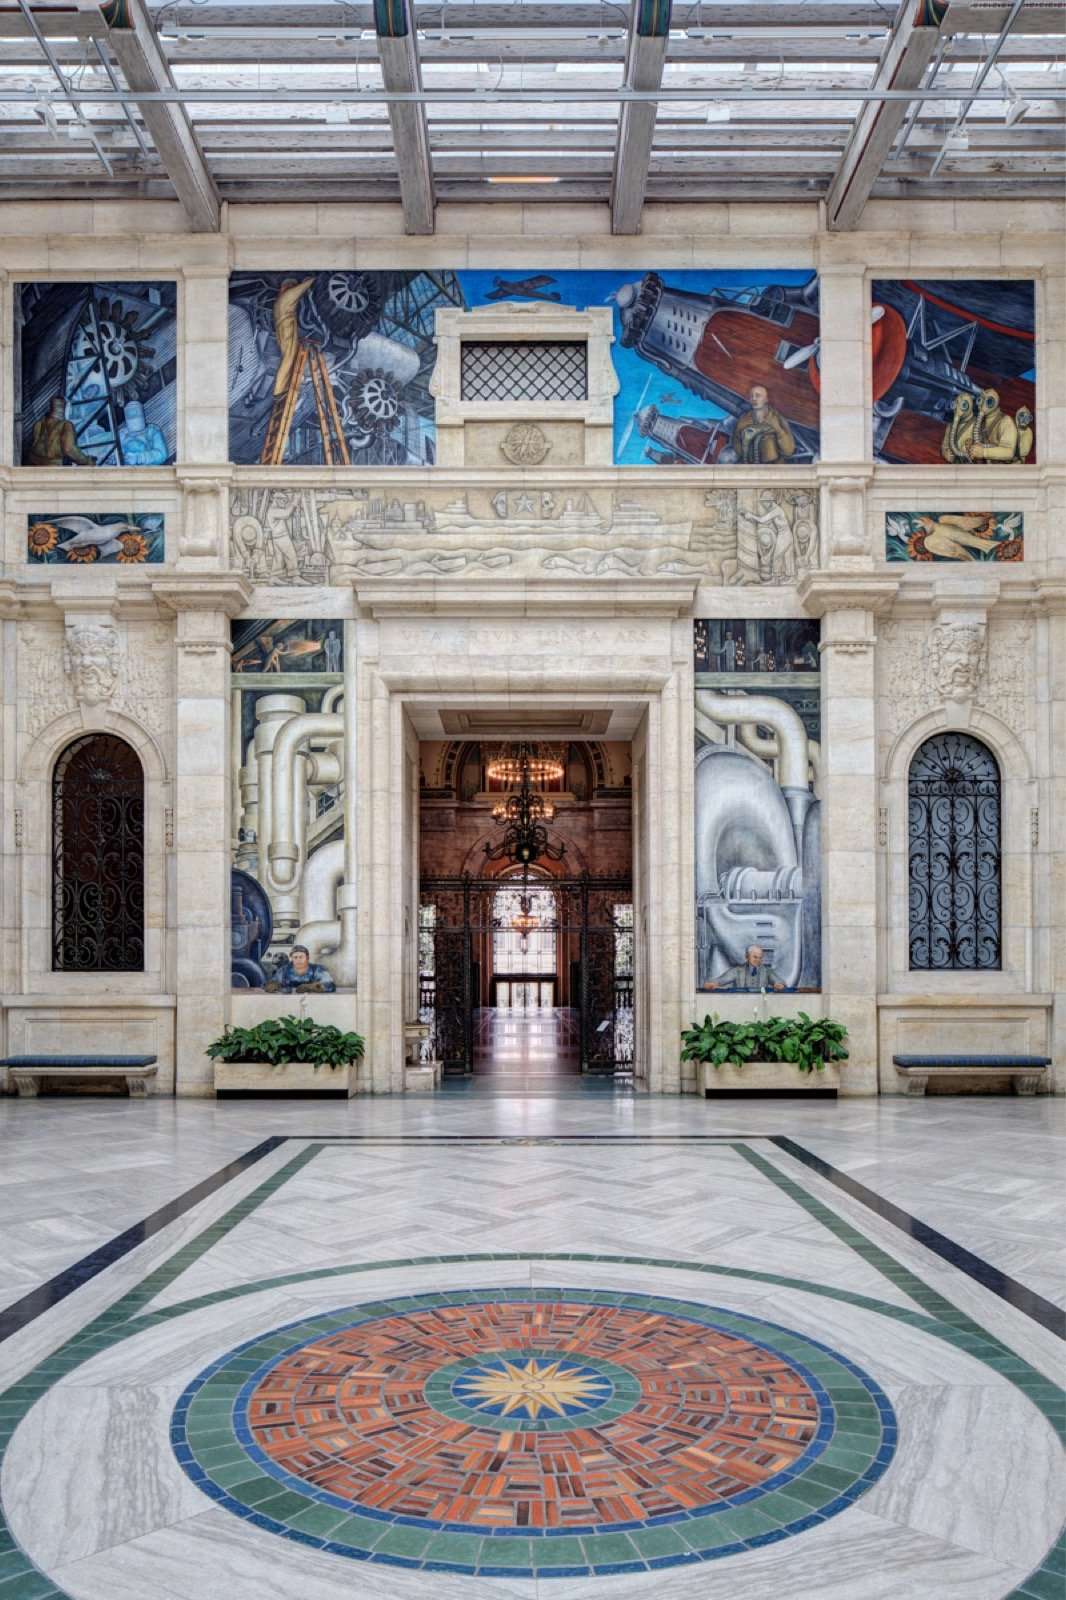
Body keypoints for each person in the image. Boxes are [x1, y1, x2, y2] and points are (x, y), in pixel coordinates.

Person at [730, 385, 796, 464]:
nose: (754, 399)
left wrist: (778, 429)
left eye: (758, 396)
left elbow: (789, 451)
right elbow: (736, 445)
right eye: (752, 396)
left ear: (766, 399)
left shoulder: (777, 419)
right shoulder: (743, 421)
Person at [27, 397, 94, 466]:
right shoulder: (66, 425)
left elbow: (34, 445)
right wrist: (87, 461)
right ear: (65, 408)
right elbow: (69, 449)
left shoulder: (39, 423)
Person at [703, 944, 785, 993]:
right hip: (741, 1003)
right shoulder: (737, 970)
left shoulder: (767, 971)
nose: (758, 960)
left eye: (760, 958)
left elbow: (780, 982)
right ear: (747, 957)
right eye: (755, 957)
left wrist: (779, 985)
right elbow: (721, 980)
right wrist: (712, 984)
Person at [265, 944, 336, 993]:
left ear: (307, 958)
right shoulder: (284, 970)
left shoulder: (317, 969)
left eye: (301, 957)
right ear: (291, 958)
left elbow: (330, 985)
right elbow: (272, 982)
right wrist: (272, 985)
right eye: (295, 957)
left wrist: (310, 987)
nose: (298, 960)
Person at [118, 399, 169, 466]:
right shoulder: (122, 434)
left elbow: (162, 455)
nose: (134, 422)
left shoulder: (153, 430)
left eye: (136, 416)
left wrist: (139, 457)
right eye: (131, 417)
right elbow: (117, 453)